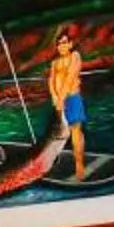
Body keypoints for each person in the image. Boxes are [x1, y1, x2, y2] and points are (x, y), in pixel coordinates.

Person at [45, 27, 89, 183]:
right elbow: (51, 80)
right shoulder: (55, 62)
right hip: (58, 101)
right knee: (56, 134)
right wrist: (55, 97)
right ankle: (53, 162)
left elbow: (71, 76)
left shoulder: (75, 57)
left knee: (75, 130)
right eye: (59, 44)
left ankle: (79, 164)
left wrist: (62, 98)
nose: (61, 46)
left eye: (64, 43)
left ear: (70, 44)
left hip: (71, 98)